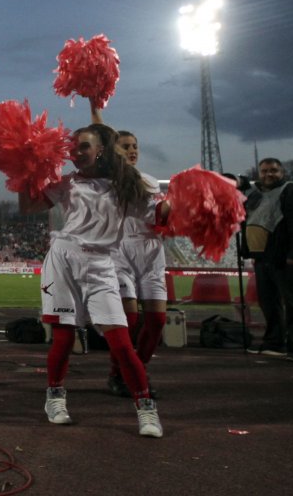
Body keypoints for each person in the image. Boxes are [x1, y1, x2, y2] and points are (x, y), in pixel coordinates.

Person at [18, 123, 164, 437]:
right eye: (73, 147)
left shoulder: (126, 184)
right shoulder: (65, 182)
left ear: (100, 150)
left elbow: (159, 216)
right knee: (64, 336)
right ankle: (55, 397)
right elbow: (27, 206)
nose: (76, 152)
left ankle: (145, 406)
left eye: (84, 146)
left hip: (102, 264)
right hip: (63, 259)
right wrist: (23, 171)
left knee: (122, 343)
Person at [90, 108, 169, 397]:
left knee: (158, 320)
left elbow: (159, 220)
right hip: (118, 252)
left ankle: (134, 369)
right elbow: (101, 132)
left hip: (150, 252)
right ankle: (121, 375)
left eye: (135, 146)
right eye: (126, 146)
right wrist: (94, 102)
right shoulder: (106, 179)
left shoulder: (149, 181)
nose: (133, 150)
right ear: (113, 151)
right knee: (129, 319)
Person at [239, 158, 293, 360]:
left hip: (284, 258)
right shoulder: (255, 194)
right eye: (264, 171)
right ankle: (274, 342)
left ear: (282, 172)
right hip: (262, 258)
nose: (269, 174)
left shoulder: (291, 191)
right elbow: (239, 183)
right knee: (269, 303)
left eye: (273, 170)